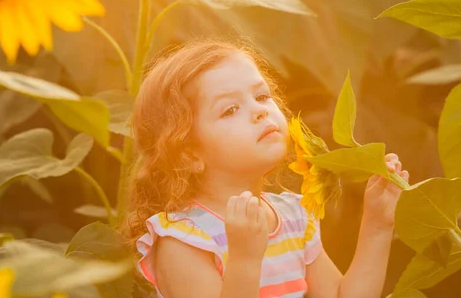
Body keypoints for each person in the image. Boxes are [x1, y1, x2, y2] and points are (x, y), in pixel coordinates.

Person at [120, 38, 410, 298]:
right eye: (230, 109)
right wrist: (244, 260)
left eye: (261, 96)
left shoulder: (293, 217)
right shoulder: (185, 240)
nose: (260, 110)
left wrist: (377, 225)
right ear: (188, 153)